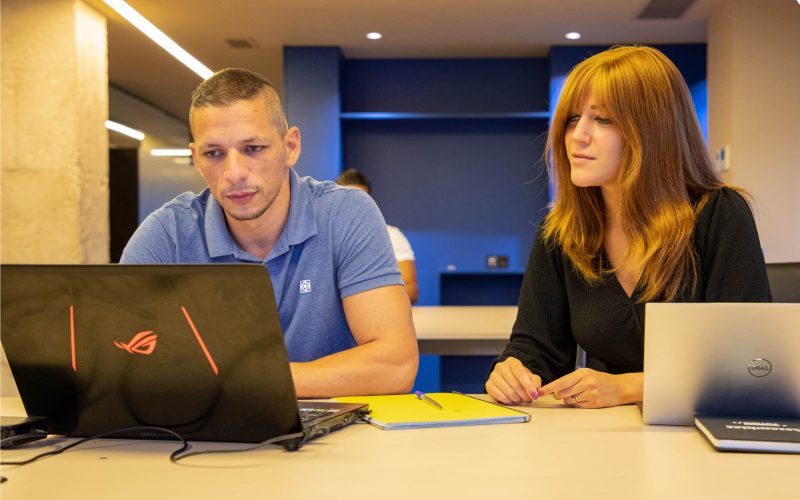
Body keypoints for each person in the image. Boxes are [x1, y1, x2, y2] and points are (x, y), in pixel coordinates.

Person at [485, 46, 771, 409]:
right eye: (573, 119)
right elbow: (538, 351)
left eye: (603, 119)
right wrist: (514, 372)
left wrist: (629, 388)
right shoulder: (561, 231)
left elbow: (750, 365)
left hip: (703, 431)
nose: (577, 135)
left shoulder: (720, 215)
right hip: (609, 434)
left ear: (654, 130)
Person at [121, 68, 418, 397]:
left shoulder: (345, 213)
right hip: (205, 426)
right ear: (197, 159)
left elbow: (395, 364)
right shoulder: (167, 233)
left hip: (335, 427)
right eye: (214, 153)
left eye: (253, 148)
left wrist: (244, 380)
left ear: (291, 146)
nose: (234, 173)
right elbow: (116, 366)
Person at [336, 168, 420, 304]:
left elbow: (411, 291)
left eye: (361, 200)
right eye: (347, 201)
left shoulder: (391, 236)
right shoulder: (324, 238)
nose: (354, 208)